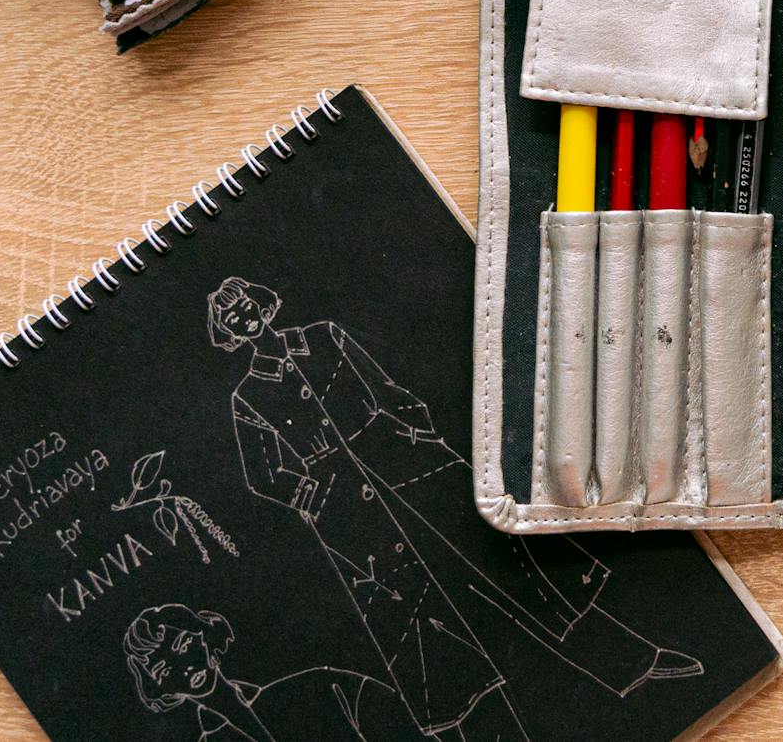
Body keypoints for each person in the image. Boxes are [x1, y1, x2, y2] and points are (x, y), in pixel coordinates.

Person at [208, 277, 695, 739]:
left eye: (245, 305)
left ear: (260, 302)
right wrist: (320, 498)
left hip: (411, 463)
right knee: (422, 624)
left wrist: (421, 433)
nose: (244, 317)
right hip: (351, 513)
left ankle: (636, 663)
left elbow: (385, 388)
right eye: (232, 317)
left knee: (518, 564)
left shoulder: (324, 337)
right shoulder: (247, 396)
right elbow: (264, 474)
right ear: (229, 332)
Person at [123, 603, 421, 742]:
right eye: (164, 672)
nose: (185, 668)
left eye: (184, 644)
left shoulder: (322, 687)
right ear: (160, 688)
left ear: (203, 635)